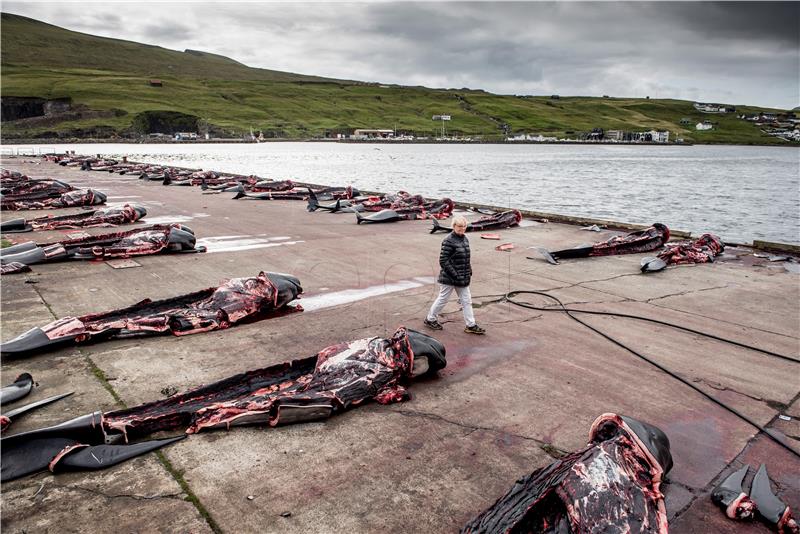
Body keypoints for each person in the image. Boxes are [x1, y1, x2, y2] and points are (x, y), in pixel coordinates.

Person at [424, 215, 485, 334]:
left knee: (467, 301)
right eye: (459, 227)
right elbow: (443, 261)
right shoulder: (448, 240)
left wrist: (469, 269)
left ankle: (471, 325)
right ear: (454, 226)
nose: (462, 229)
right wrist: (455, 274)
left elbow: (465, 257)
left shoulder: (464, 238)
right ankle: (430, 319)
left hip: (463, 277)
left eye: (464, 226)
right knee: (443, 299)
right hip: (449, 278)